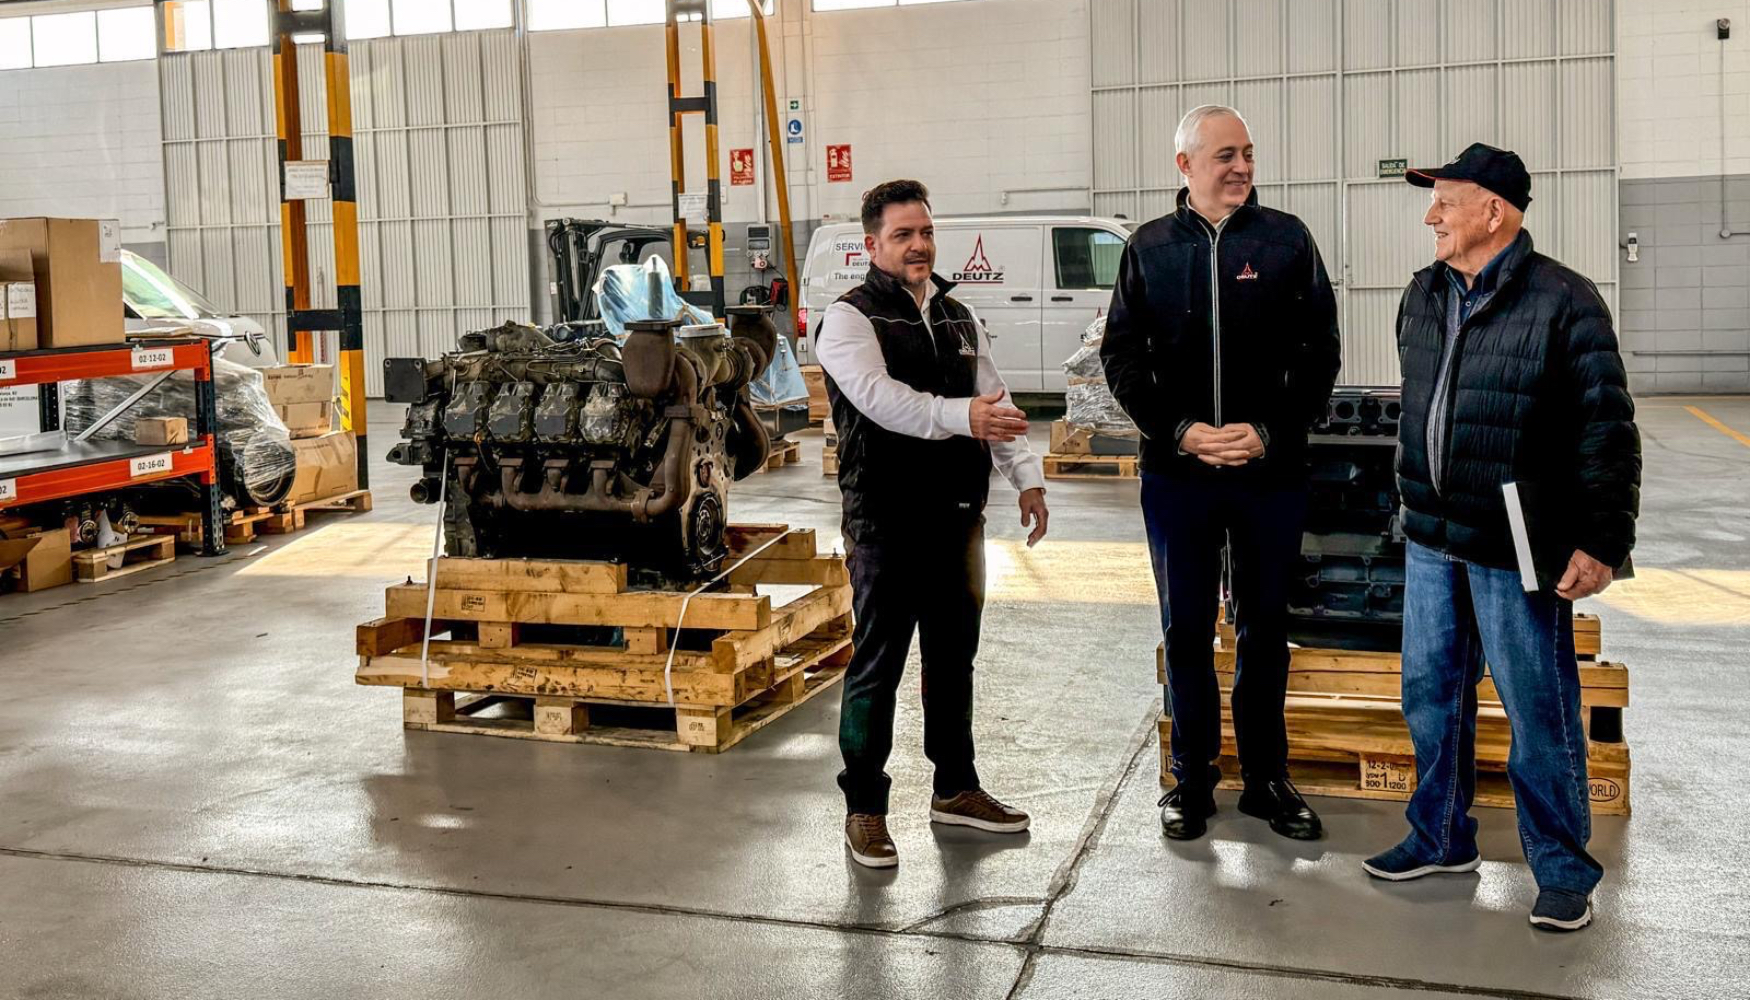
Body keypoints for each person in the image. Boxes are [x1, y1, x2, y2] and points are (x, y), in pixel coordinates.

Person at [1363, 143, 1641, 933]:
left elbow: (1606, 432)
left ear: (1495, 211)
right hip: (1430, 536)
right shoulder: (1423, 294)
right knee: (1430, 696)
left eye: (1444, 203)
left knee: (1538, 708)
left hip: (1514, 541)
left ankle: (1561, 869)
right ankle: (1440, 836)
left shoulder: (1565, 301)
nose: (1430, 218)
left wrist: (1600, 540)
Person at [1101, 106, 1341, 842]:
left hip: (1269, 470)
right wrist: (1182, 432)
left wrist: (1265, 432)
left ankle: (1268, 779)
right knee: (1185, 630)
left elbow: (1320, 352)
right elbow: (1123, 358)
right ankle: (1192, 778)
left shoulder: (1287, 240)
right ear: (1185, 166)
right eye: (1224, 155)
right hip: (1179, 474)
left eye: (1247, 154)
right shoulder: (1149, 248)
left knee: (1265, 627)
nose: (1240, 167)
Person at [815, 179, 1050, 870]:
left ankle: (956, 788)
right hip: (884, 522)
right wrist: (962, 419)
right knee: (877, 668)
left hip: (957, 521)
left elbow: (994, 401)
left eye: (925, 232)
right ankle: (864, 808)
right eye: (902, 235)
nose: (918, 245)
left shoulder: (958, 317)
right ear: (872, 245)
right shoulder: (848, 319)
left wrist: (1027, 478)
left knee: (953, 662)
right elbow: (883, 402)